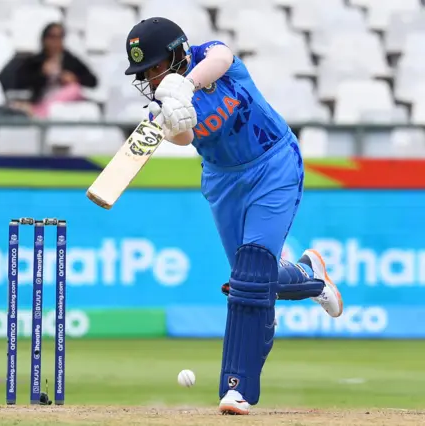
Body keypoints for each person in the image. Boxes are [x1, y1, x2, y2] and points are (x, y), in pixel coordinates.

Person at [123, 18, 344, 415]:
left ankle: (236, 388)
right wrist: (173, 115)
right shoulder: (163, 105)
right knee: (253, 279)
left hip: (273, 163)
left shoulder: (210, 57)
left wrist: (186, 86)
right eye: (146, 74)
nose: (152, 79)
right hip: (224, 182)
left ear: (178, 54)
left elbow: (223, 57)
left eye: (156, 67)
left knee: (249, 277)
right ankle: (311, 276)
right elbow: (185, 137)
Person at [14, 22, 97, 118]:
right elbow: (21, 81)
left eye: (59, 38)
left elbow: (93, 81)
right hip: (42, 100)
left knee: (74, 89)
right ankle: (42, 111)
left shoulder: (70, 59)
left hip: (65, 104)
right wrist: (42, 74)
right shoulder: (36, 61)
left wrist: (74, 78)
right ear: (44, 40)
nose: (55, 42)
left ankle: (43, 112)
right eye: (52, 37)